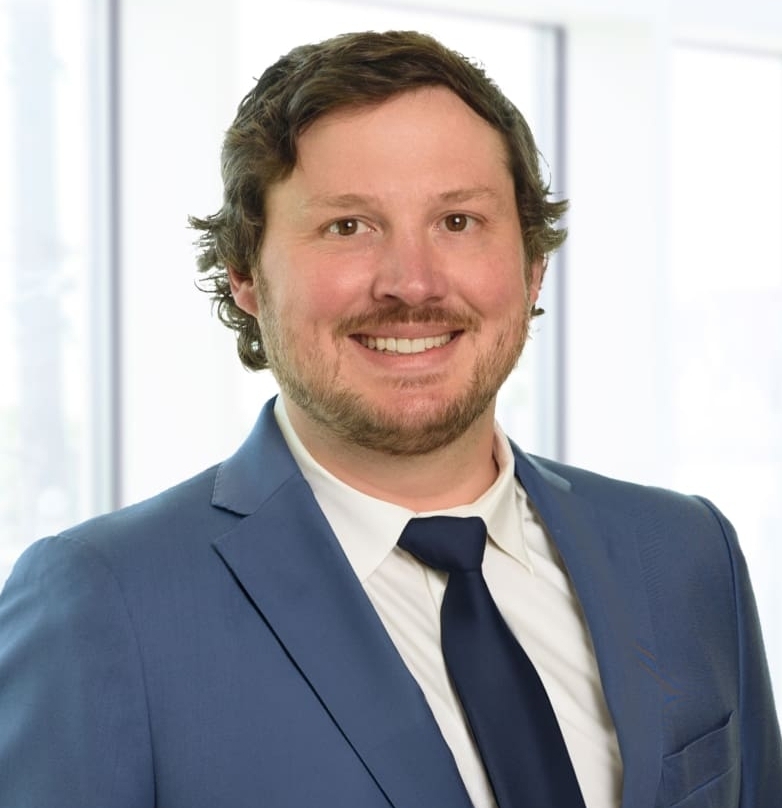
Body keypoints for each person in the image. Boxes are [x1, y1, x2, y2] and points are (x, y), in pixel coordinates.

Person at [0, 29, 779, 808]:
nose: (412, 284)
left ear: (532, 262)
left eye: (459, 222)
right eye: (349, 226)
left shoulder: (684, 554)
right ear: (244, 273)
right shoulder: (105, 606)